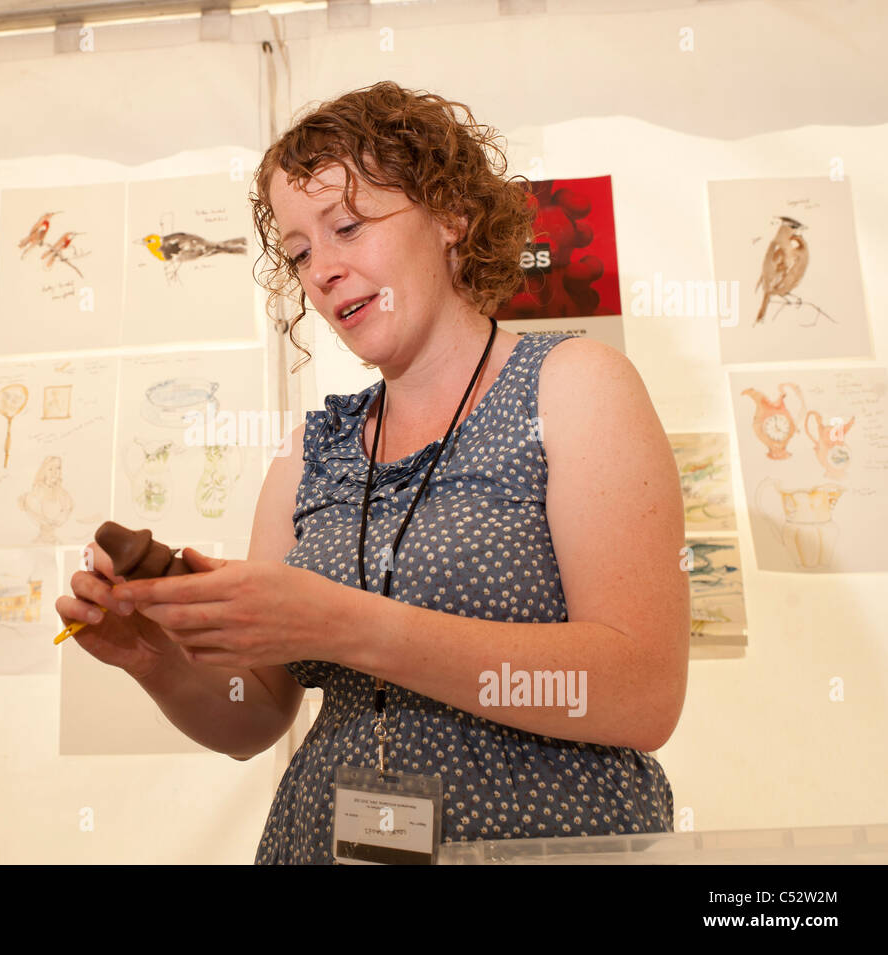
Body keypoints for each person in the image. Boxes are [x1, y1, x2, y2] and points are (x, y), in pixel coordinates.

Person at [56, 81, 689, 864]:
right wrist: (154, 659)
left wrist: (345, 624)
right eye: (298, 253)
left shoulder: (572, 385)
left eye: (347, 226)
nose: (321, 270)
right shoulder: (309, 455)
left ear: (451, 215)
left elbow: (641, 693)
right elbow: (253, 719)